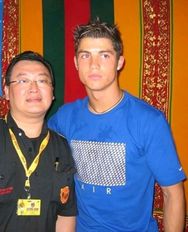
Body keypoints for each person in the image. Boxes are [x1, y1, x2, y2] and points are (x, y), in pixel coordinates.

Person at [48, 18, 186, 231]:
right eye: (85, 55)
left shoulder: (149, 121)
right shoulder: (64, 117)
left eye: (104, 55)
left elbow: (172, 193)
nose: (94, 64)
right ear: (76, 63)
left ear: (119, 62)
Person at [0, 51, 77, 232]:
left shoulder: (62, 147)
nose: (34, 88)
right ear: (7, 90)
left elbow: (66, 213)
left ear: (52, 93)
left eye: (42, 81)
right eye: (23, 80)